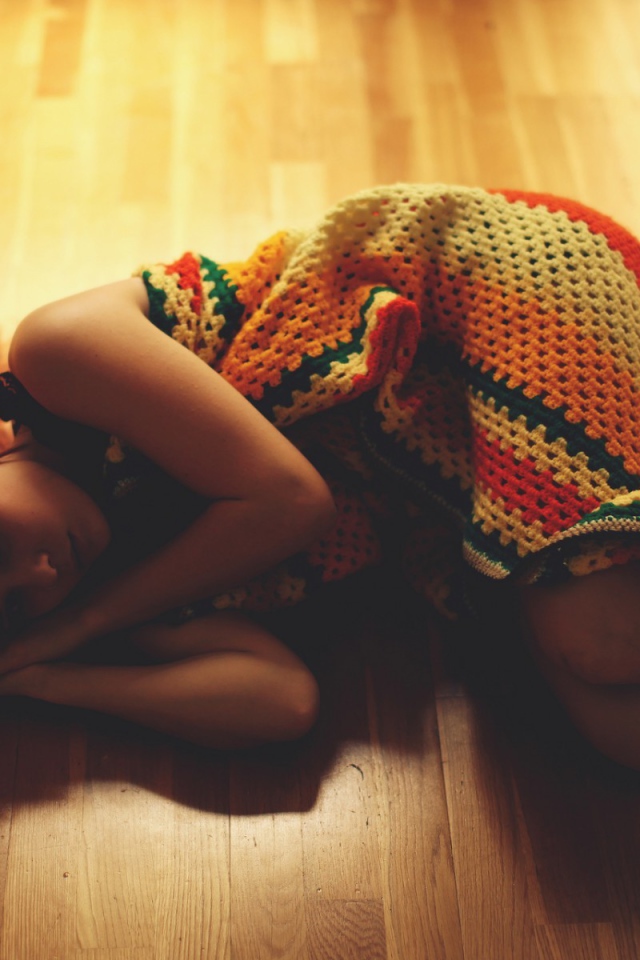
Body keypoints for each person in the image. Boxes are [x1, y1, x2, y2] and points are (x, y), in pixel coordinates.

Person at [1, 182, 640, 765]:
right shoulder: (126, 581)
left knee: (599, 642)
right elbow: (280, 700)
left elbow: (291, 500)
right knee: (612, 729)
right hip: (443, 457)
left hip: (489, 285)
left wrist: (81, 624)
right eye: (12, 604)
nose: (41, 575)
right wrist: (44, 679)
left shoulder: (56, 351)